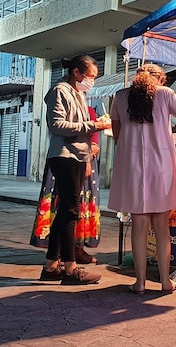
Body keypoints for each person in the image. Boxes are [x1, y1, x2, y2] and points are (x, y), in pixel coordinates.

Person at [108, 64, 176, 295]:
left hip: (132, 166)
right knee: (162, 228)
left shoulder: (120, 96)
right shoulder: (165, 94)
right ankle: (165, 281)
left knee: (139, 226)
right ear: (159, 79)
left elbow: (116, 133)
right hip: (161, 167)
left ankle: (140, 283)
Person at [40, 55, 111, 285]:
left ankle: (51, 265)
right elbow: (57, 125)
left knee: (67, 211)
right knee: (70, 211)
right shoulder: (59, 91)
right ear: (76, 72)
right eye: (90, 76)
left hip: (79, 156)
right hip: (64, 156)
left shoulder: (79, 93)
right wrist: (94, 125)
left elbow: (82, 125)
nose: (91, 81)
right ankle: (70, 268)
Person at [31, 105, 102, 265]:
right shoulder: (59, 106)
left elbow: (95, 139)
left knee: (79, 206)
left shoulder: (89, 110)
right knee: (63, 206)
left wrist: (90, 154)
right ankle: (60, 255)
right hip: (65, 161)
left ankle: (76, 249)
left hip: (84, 162)